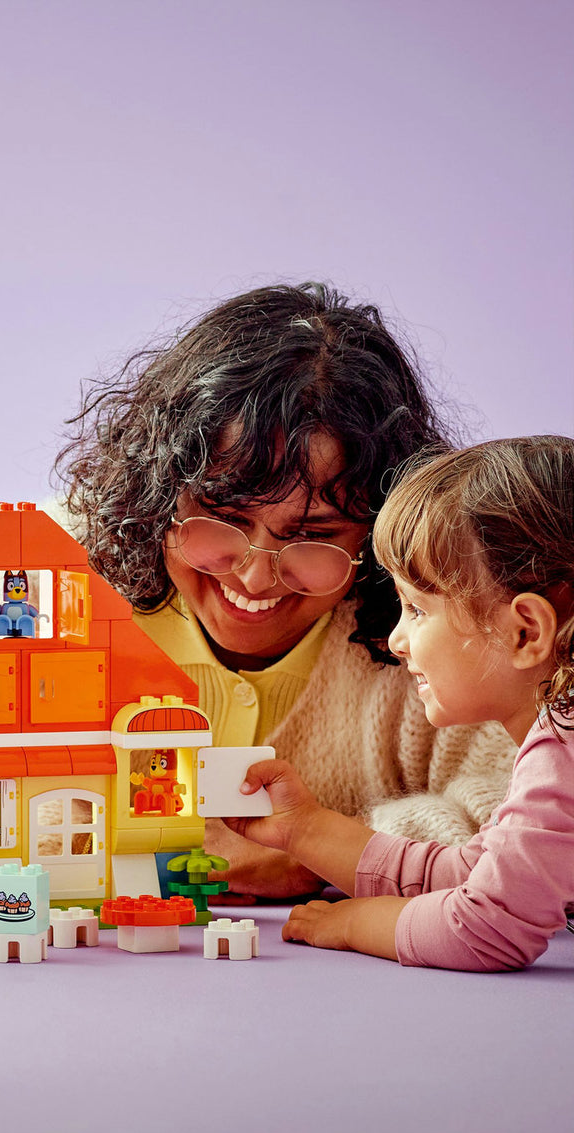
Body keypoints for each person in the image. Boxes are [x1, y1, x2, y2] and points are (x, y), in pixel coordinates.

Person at [56, 282, 516, 898]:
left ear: (377, 533)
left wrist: (318, 852)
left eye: (311, 536)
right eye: (222, 520)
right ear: (157, 490)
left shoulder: (439, 627)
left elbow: (528, 827)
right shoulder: (50, 569)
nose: (253, 577)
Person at [227, 436, 574, 970]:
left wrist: (352, 923)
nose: (395, 639)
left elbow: (485, 928)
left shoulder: (563, 752)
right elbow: (475, 874)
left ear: (526, 632)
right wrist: (306, 830)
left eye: (415, 608)